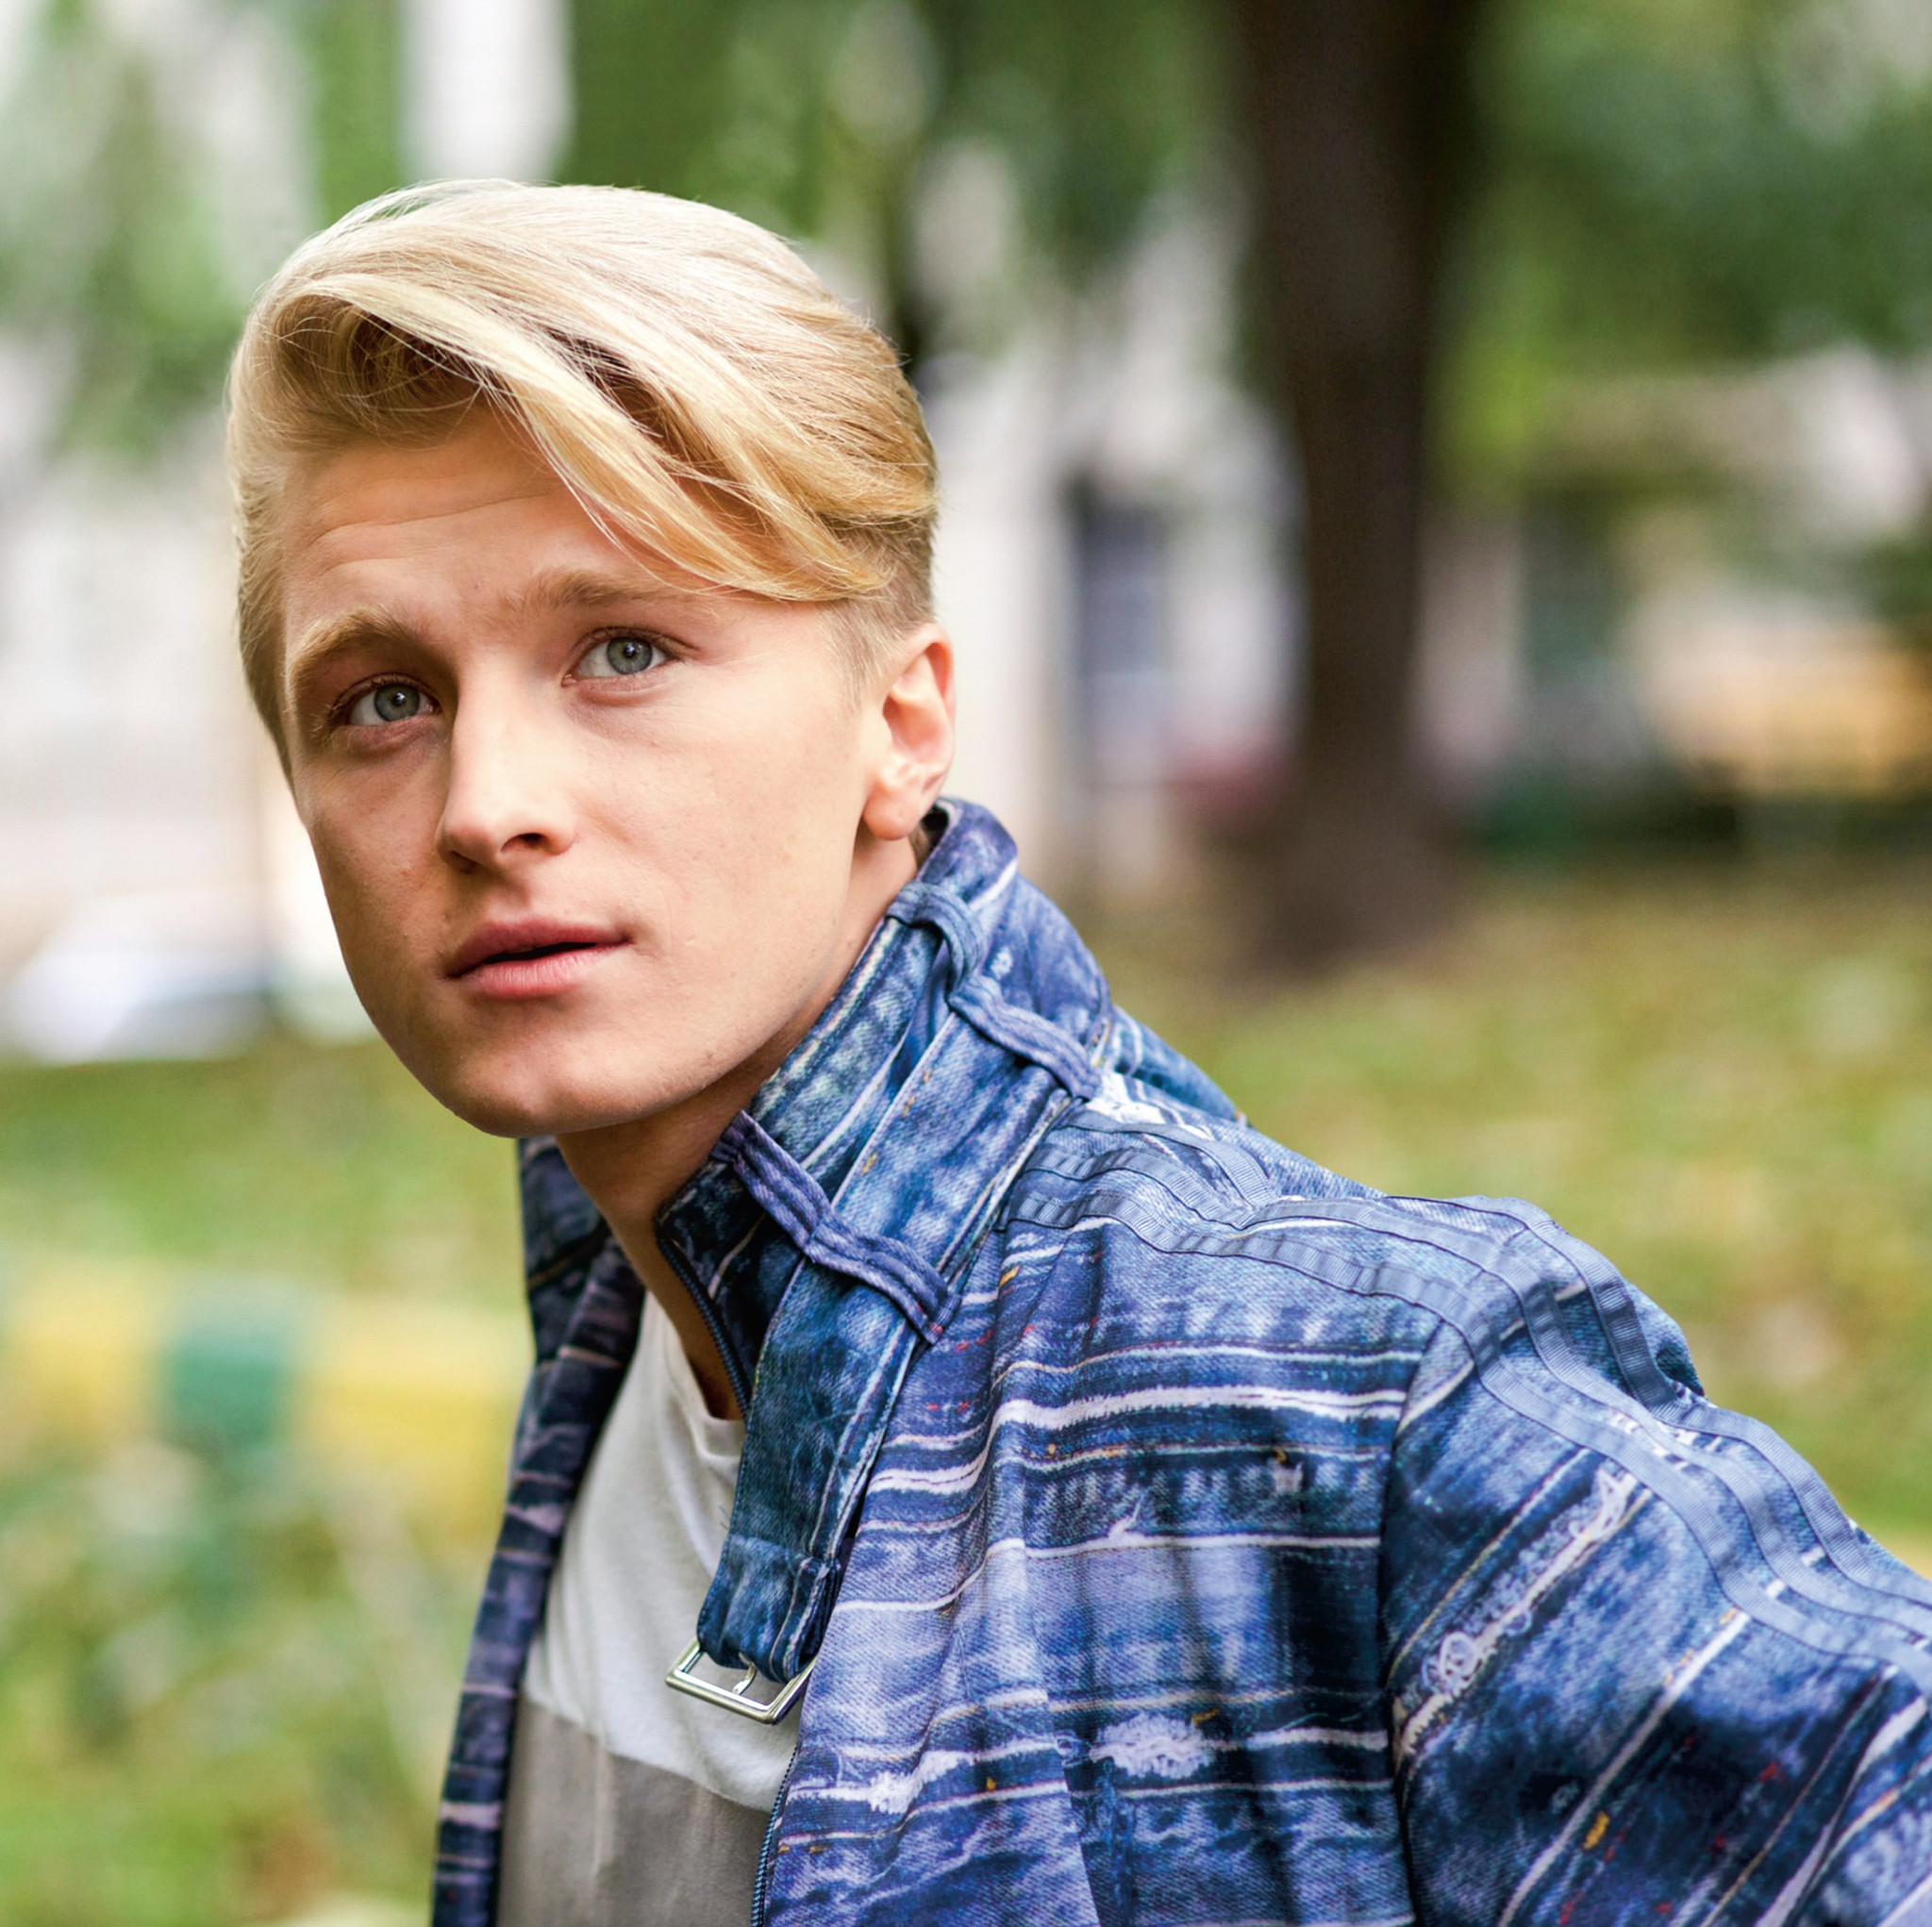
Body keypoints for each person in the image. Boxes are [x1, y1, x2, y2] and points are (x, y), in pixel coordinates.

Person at [226, 181, 1932, 1927]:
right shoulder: (623, 1314)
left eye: (624, 651)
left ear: (903, 727)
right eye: (383, 699)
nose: (488, 805)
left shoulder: (1363, 1408)